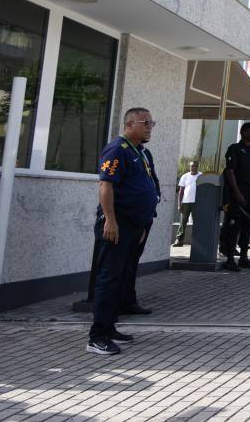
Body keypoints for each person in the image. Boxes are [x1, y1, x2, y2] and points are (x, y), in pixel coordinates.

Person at [87, 108, 161, 356]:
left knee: (120, 277)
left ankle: (110, 327)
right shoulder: (117, 149)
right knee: (108, 278)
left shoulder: (138, 152)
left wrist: (140, 225)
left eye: (152, 122)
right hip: (117, 224)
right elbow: (105, 185)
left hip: (133, 226)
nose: (150, 126)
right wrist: (110, 220)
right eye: (145, 122)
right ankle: (97, 336)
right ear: (130, 124)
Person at [221, 122, 250, 271]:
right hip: (238, 192)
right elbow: (230, 172)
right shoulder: (234, 149)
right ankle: (230, 259)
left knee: (247, 226)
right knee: (233, 225)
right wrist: (237, 193)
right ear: (244, 132)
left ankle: (244, 258)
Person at [173, 161, 200, 247]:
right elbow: (181, 191)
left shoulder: (201, 176)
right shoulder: (185, 176)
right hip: (185, 202)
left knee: (198, 222)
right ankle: (179, 240)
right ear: (189, 167)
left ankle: (197, 241)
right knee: (182, 222)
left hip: (197, 203)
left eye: (196, 166)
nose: (194, 168)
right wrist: (179, 204)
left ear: (198, 167)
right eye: (192, 166)